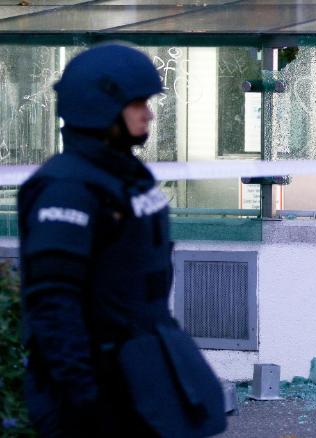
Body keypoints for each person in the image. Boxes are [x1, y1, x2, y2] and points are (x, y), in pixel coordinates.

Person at [17, 43, 226, 437]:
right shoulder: (67, 190)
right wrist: (85, 400)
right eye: (137, 104)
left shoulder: (128, 175)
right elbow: (53, 305)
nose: (148, 113)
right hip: (96, 385)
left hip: (142, 367)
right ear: (102, 108)